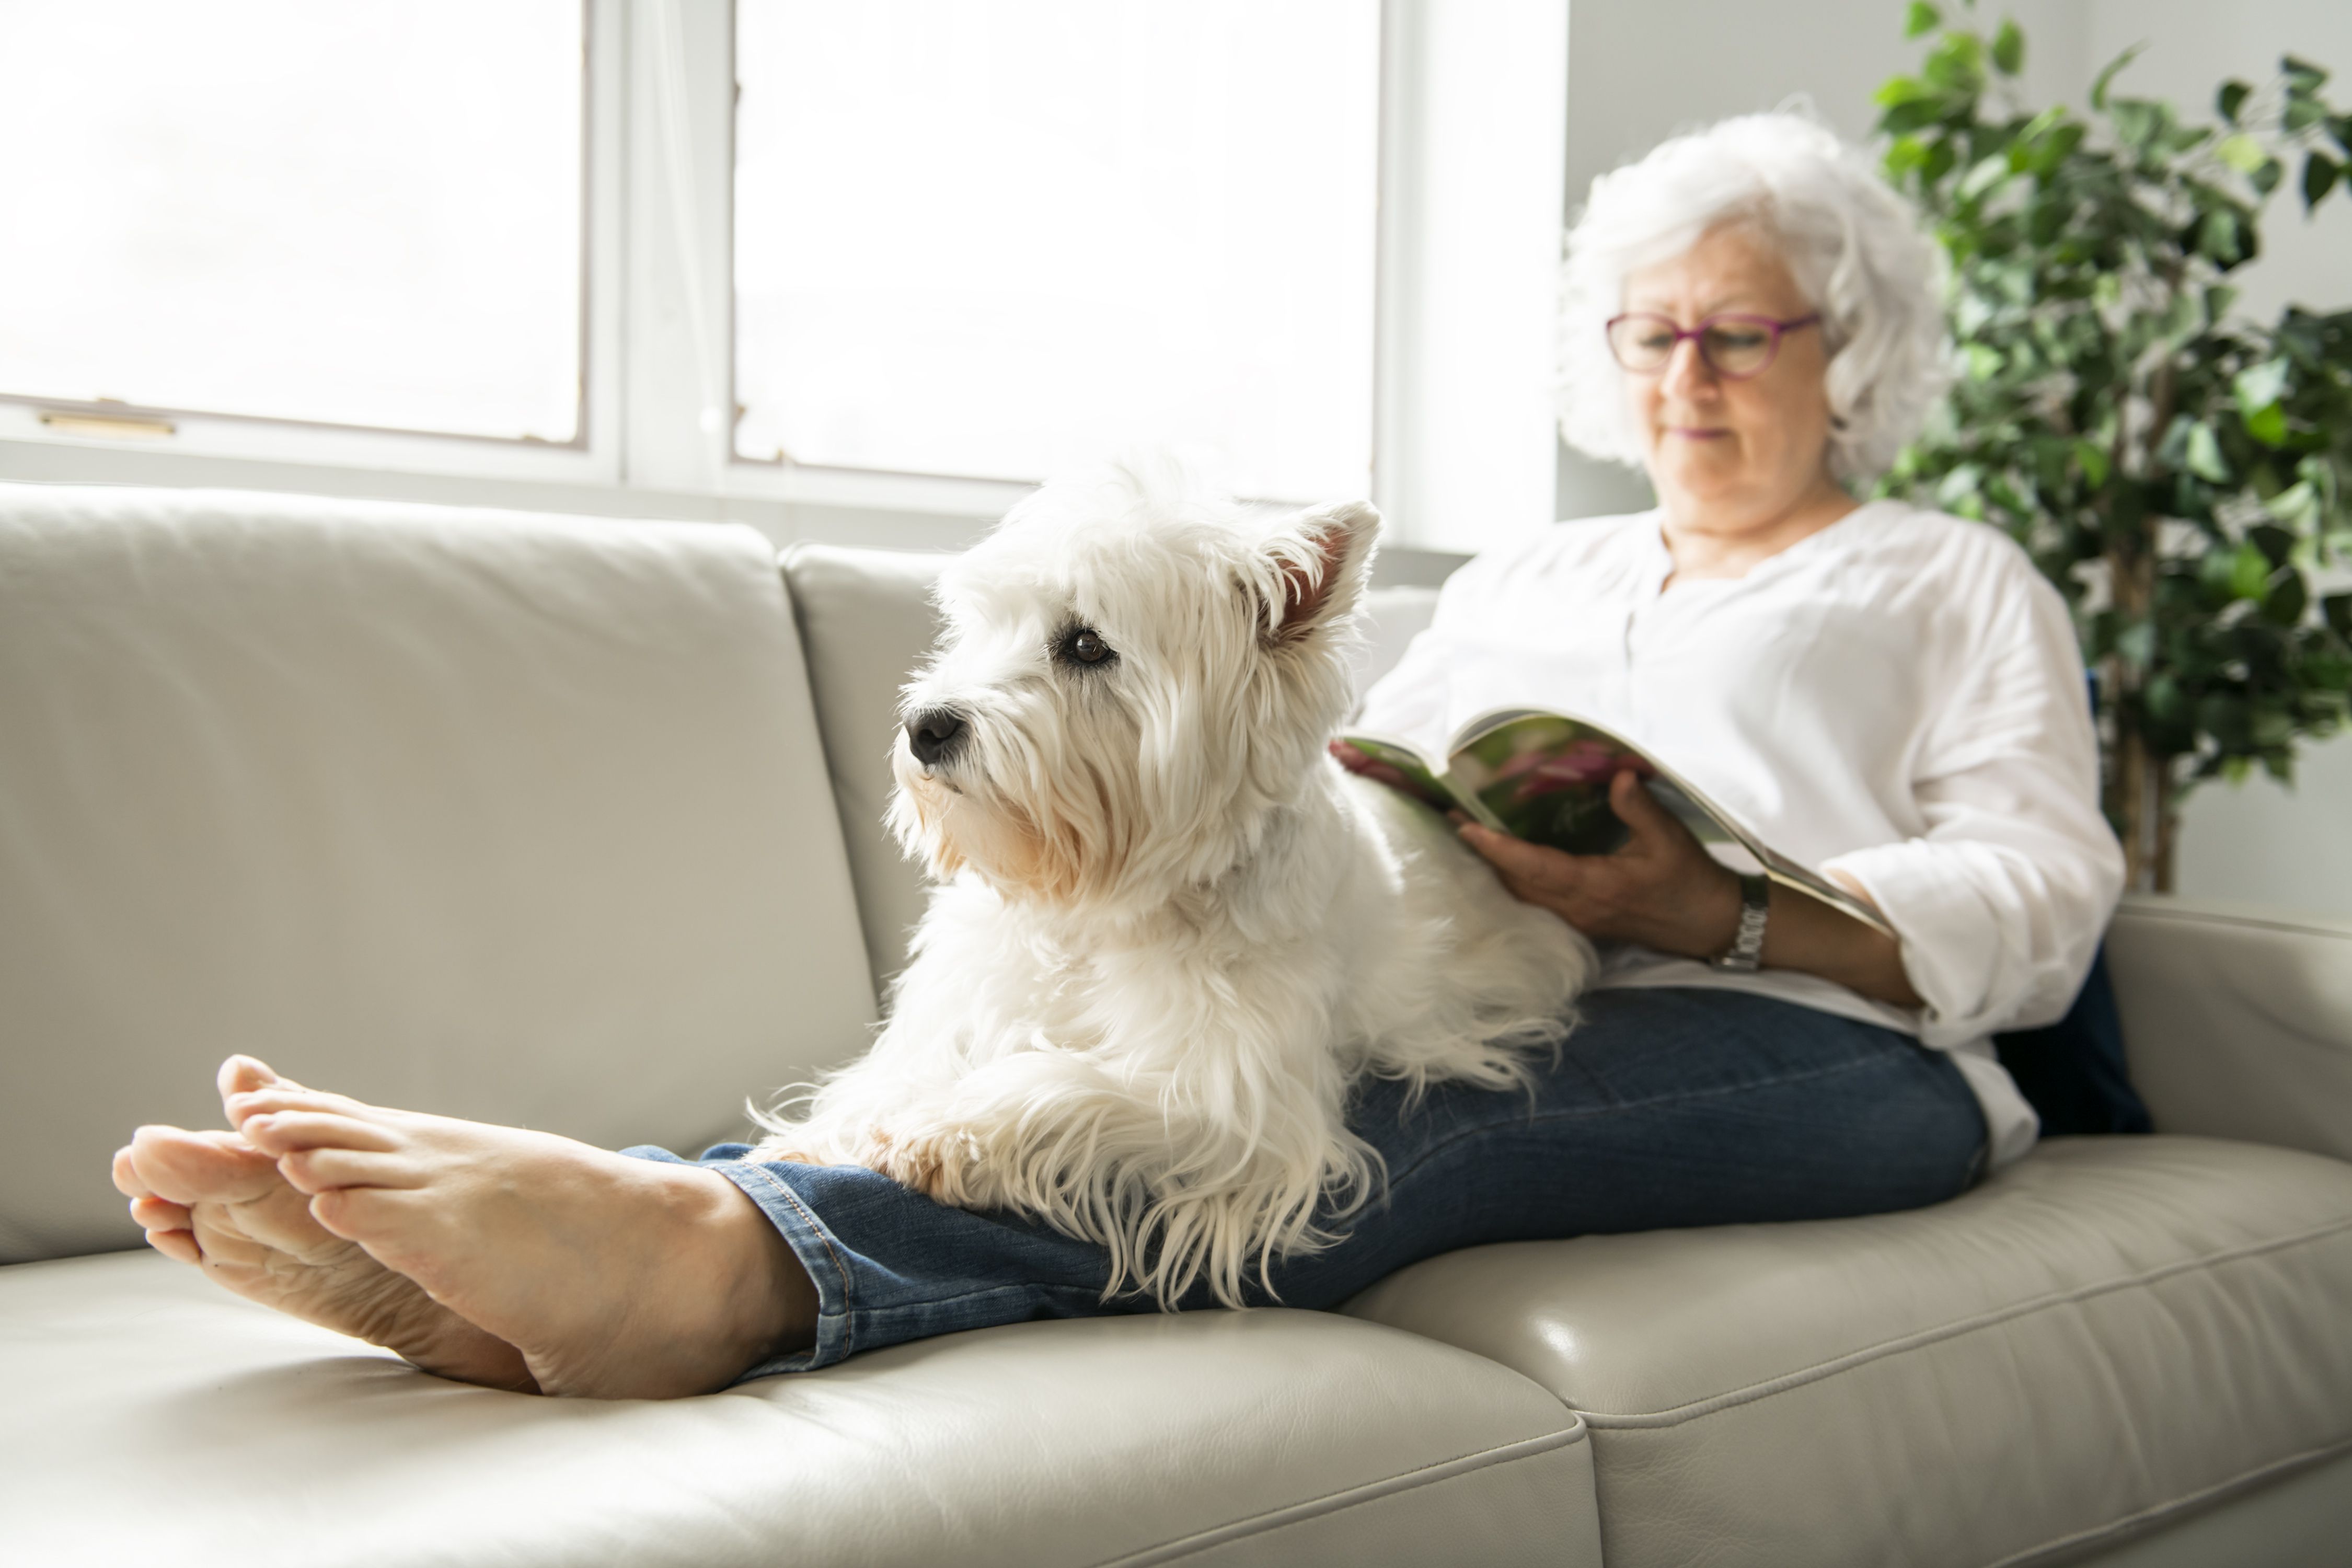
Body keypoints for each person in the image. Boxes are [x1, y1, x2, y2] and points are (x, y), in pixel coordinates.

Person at [111, 112, 2124, 1399]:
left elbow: (2041, 900)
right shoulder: (1538, 568)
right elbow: (1337, 778)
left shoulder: (1948, 581)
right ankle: (621, 1232)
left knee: (1360, 1148)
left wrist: (1725, 899)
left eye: (1739, 335)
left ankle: (704, 1265)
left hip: (1837, 1050)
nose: (1683, 377)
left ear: (1846, 350)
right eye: (1648, 335)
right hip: (1521, 959)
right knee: (1150, 1058)